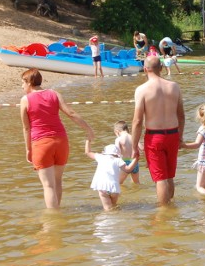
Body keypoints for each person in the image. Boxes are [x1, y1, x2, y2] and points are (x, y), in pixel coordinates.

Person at [19, 68, 95, 209]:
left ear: (29, 82)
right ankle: (58, 213)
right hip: (61, 141)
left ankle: (52, 224)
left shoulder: (25, 100)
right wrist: (88, 129)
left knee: (48, 186)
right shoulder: (54, 94)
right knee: (57, 181)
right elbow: (71, 113)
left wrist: (28, 149)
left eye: (22, 83)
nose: (22, 86)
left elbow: (26, 128)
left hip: (41, 143)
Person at [131, 56, 185, 206]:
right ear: (161, 68)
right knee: (169, 176)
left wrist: (134, 145)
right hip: (173, 134)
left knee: (160, 178)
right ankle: (172, 207)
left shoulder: (141, 90)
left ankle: (164, 214)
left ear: (145, 69)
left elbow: (137, 121)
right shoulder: (174, 86)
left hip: (155, 137)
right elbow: (181, 115)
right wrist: (180, 137)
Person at [85, 141, 139, 211]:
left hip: (103, 187)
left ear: (105, 152)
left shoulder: (100, 157)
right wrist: (136, 159)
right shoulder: (118, 160)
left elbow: (88, 152)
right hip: (114, 188)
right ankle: (115, 220)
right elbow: (128, 169)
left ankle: (108, 220)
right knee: (113, 207)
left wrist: (88, 140)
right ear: (117, 154)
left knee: (108, 209)